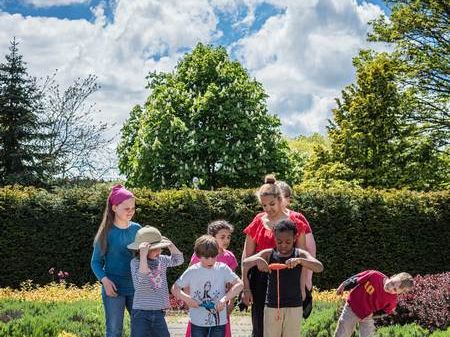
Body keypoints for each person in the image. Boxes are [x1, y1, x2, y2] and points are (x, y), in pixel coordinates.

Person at [241, 174, 309, 337]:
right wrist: (246, 288)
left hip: (289, 280)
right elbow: (246, 258)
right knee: (260, 327)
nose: (268, 209)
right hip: (261, 281)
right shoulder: (258, 221)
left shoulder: (296, 221)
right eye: (264, 205)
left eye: (272, 204)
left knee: (288, 329)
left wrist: (303, 286)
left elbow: (304, 257)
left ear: (280, 200)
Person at [243, 220, 323, 337]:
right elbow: (245, 263)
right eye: (279, 242)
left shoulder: (299, 254)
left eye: (288, 242)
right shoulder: (269, 253)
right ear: (274, 238)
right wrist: (258, 260)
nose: (283, 245)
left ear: (295, 238)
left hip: (294, 305)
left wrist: (301, 261)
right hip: (272, 305)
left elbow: (319, 267)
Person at [91, 184, 141, 337]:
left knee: (141, 330)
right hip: (113, 290)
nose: (131, 212)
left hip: (136, 289)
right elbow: (95, 262)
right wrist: (105, 281)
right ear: (114, 208)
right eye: (126, 208)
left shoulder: (137, 229)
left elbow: (144, 257)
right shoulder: (106, 233)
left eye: (133, 208)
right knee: (114, 331)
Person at [172, 235, 244, 337]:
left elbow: (240, 284)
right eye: (206, 257)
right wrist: (187, 299)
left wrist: (225, 299)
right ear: (198, 255)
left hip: (219, 322)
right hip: (197, 321)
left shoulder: (223, 268)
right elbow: (175, 288)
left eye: (213, 256)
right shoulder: (193, 270)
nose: (210, 260)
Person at [127, 225, 184, 337]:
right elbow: (141, 282)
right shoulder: (136, 263)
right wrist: (143, 256)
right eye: (154, 249)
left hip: (159, 312)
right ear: (141, 250)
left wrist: (171, 245)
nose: (159, 251)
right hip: (141, 313)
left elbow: (179, 260)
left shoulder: (162, 260)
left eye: (160, 247)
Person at [186, 220, 238, 337]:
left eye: (228, 237)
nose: (226, 240)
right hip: (200, 303)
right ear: (212, 237)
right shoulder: (199, 254)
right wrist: (188, 299)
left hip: (220, 305)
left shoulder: (230, 257)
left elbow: (232, 285)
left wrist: (231, 302)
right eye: (222, 237)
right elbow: (188, 278)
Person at [276, 180, 316, 317]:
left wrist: (307, 280)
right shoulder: (263, 218)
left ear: (288, 199)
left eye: (283, 197)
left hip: (293, 277)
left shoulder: (298, 218)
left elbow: (309, 250)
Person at [334, 270, 414, 337]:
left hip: (367, 316)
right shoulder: (374, 275)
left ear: (399, 293)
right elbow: (356, 279)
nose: (390, 288)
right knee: (343, 332)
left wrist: (372, 314)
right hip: (352, 308)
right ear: (393, 276)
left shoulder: (392, 301)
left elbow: (385, 312)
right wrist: (343, 285)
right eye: (392, 283)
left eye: (395, 290)